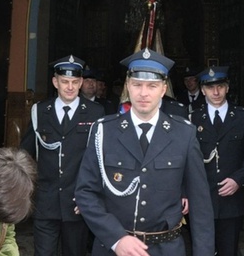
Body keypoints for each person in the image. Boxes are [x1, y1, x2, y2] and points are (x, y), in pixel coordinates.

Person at [75, 47, 215, 256]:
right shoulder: (104, 131)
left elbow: (201, 205)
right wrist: (116, 239)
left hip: (165, 248)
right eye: (137, 85)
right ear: (127, 87)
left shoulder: (184, 134)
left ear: (163, 88)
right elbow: (85, 193)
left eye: (152, 85)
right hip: (112, 248)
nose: (143, 93)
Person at [20, 55, 104, 256]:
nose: (70, 87)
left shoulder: (95, 112)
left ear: (81, 82)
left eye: (75, 82)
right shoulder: (40, 111)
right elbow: (25, 153)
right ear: (55, 82)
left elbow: (101, 159)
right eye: (65, 82)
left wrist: (92, 198)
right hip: (45, 202)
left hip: (78, 203)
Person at [190, 66, 244, 256]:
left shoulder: (242, 118)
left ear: (227, 88)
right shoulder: (193, 119)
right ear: (203, 90)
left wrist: (238, 180)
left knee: (228, 251)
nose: (216, 92)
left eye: (220, 86)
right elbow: (185, 160)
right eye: (210, 87)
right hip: (202, 199)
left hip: (231, 201)